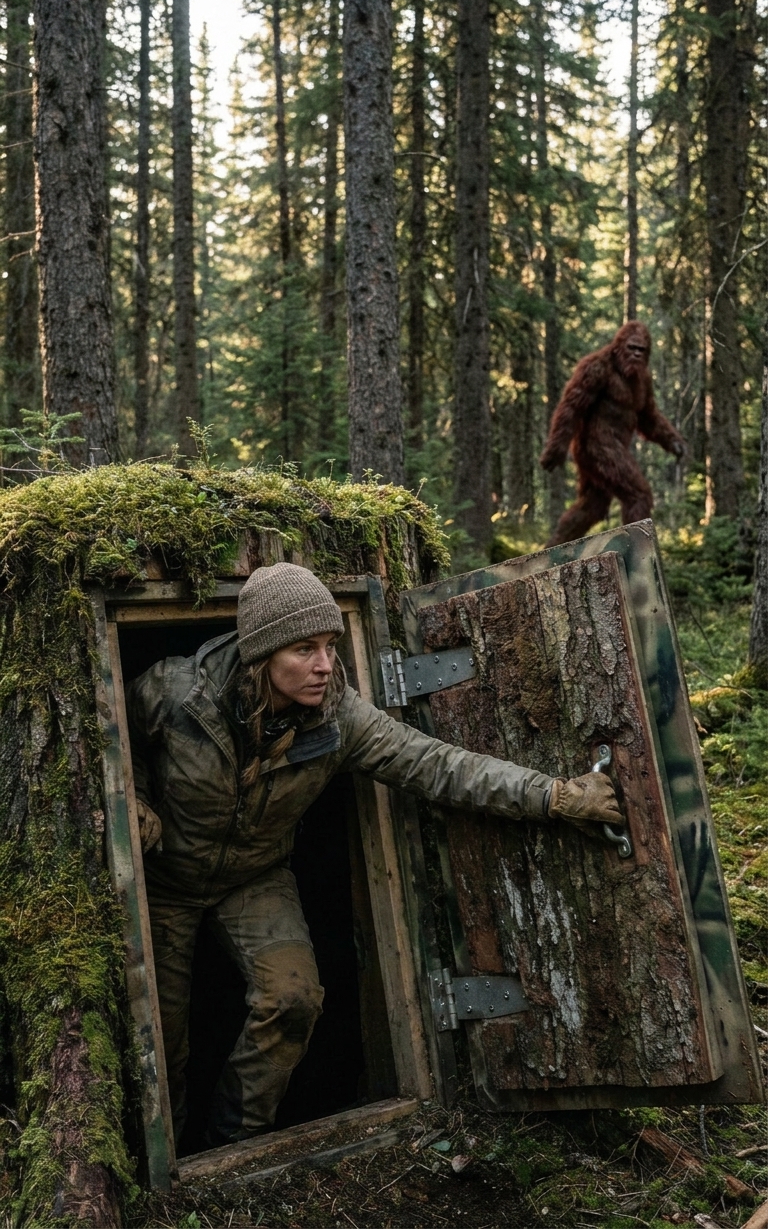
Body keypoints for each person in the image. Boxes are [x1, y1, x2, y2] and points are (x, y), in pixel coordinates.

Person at [127, 563, 624, 1149]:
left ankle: (236, 1143)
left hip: (255, 877)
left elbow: (438, 765)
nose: (325, 664)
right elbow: (114, 736)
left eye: (332, 644)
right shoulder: (175, 692)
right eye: (305, 648)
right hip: (165, 882)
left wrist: (556, 796)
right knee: (164, 1037)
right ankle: (168, 1164)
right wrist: (134, 797)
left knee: (293, 1000)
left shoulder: (339, 716)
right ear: (261, 654)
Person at [540, 320, 685, 546]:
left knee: (593, 506)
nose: (636, 354)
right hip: (595, 446)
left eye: (641, 350)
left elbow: (649, 417)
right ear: (618, 346)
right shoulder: (598, 366)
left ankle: (550, 555)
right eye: (631, 348)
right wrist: (556, 447)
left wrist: (671, 439)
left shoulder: (642, 380)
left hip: (614, 447)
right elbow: (571, 407)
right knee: (639, 495)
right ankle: (638, 559)